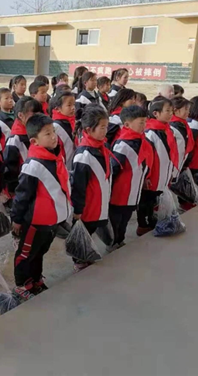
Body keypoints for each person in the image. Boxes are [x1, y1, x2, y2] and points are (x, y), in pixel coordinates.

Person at [11, 114, 71, 299]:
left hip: (52, 221)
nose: (53, 137)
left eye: (53, 132)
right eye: (47, 134)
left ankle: (36, 279)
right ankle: (22, 284)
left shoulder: (56, 158)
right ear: (34, 141)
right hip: (35, 222)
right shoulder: (33, 166)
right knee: (26, 253)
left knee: (40, 251)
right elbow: (22, 196)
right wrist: (17, 219)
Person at [71, 105, 112, 270]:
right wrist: (78, 209)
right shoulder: (84, 155)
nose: (105, 131)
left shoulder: (101, 148)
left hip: (98, 203)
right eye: (102, 127)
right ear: (88, 129)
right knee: (84, 231)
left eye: (106, 127)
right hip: (88, 206)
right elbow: (78, 186)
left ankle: (85, 255)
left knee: (91, 230)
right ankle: (79, 260)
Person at [109, 106, 152, 249]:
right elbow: (113, 170)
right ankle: (114, 242)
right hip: (120, 193)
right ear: (127, 124)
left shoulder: (141, 141)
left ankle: (120, 240)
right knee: (116, 220)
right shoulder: (122, 145)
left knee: (125, 219)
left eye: (145, 122)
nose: (144, 125)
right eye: (141, 122)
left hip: (134, 190)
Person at [136, 98, 179, 236]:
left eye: (172, 111)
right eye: (167, 111)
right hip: (153, 175)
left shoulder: (168, 130)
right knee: (146, 201)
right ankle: (143, 225)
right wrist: (146, 177)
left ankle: (152, 220)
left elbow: (171, 154)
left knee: (155, 200)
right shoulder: (150, 133)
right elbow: (146, 158)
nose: (171, 114)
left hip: (163, 173)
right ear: (156, 113)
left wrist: (171, 171)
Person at [3, 97, 44, 196]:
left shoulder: (39, 132)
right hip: (24, 188)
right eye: (34, 115)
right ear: (21, 115)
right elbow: (10, 170)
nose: (37, 118)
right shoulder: (14, 140)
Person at [50, 91, 77, 170]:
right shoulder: (55, 128)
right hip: (64, 169)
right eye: (69, 105)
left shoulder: (73, 123)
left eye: (74, 104)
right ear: (58, 109)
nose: (73, 108)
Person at [170, 96, 194, 176]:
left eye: (188, 109)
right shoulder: (172, 127)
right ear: (176, 110)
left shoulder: (183, 124)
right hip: (173, 167)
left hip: (181, 164)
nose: (188, 112)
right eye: (186, 109)